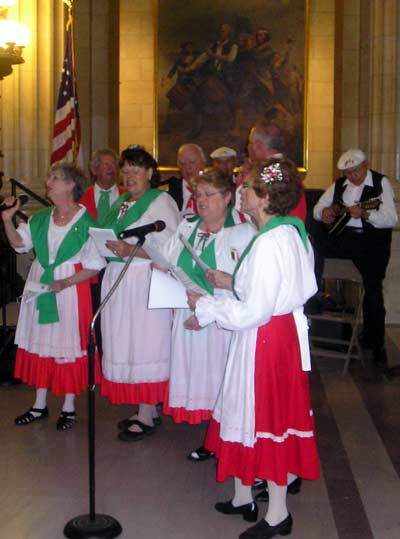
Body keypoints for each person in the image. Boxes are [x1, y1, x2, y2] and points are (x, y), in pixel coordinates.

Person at [188, 158, 319, 539]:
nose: (241, 192)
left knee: (264, 418)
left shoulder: (268, 242)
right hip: (278, 335)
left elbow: (254, 310)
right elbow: (273, 289)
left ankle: (278, 515)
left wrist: (208, 305)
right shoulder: (290, 233)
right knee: (243, 410)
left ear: (262, 198)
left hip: (265, 338)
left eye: (246, 187)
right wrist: (231, 282)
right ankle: (243, 494)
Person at [1, 163, 106, 430]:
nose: (48, 181)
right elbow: (19, 244)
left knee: (65, 343)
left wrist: (66, 281)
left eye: (55, 178)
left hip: (69, 291)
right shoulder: (40, 218)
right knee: (41, 341)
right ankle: (39, 404)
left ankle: (68, 408)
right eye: (50, 176)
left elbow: (95, 264)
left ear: (71, 185)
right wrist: (6, 219)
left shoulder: (87, 224)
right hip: (40, 285)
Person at [161, 168, 255, 460]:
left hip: (220, 322)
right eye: (198, 194)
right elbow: (166, 259)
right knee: (197, 376)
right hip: (188, 313)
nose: (201, 200)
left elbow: (249, 283)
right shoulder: (187, 226)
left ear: (228, 197)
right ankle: (212, 437)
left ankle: (222, 441)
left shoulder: (244, 230)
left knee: (222, 381)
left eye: (209, 194)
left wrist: (209, 306)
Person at [99, 145, 180, 441]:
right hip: (120, 279)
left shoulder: (160, 201)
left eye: (135, 170)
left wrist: (135, 249)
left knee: (146, 343)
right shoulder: (121, 203)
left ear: (149, 173)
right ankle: (147, 408)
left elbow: (173, 245)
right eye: (126, 170)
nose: (129, 175)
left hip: (145, 280)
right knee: (127, 342)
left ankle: (147, 413)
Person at [313, 148, 398, 367]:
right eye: (348, 172)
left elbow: (391, 219)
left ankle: (376, 344)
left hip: (371, 243)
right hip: (344, 239)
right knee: (315, 251)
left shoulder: (381, 184)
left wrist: (366, 214)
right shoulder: (339, 185)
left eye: (355, 171)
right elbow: (318, 208)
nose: (352, 177)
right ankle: (315, 301)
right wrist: (324, 213)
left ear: (365, 165)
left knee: (372, 291)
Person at [237, 122, 307, 222]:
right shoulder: (286, 169)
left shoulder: (269, 172)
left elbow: (244, 214)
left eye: (250, 143)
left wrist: (243, 182)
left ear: (257, 145)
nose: (248, 147)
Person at [80, 148, 125, 224]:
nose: (110, 168)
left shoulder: (128, 196)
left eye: (113, 164)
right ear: (94, 170)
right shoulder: (81, 197)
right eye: (106, 164)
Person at [164, 143, 206, 217]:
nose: (187, 167)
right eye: (182, 163)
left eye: (192, 162)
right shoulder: (171, 190)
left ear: (203, 163)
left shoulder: (213, 187)